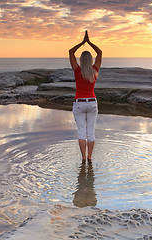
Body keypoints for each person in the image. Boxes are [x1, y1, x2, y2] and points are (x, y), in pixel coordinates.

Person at [69, 30, 102, 161]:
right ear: (91, 60)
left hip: (79, 103)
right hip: (92, 102)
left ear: (81, 60)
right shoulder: (95, 70)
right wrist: (89, 42)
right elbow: (100, 52)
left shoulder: (77, 70)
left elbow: (71, 52)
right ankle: (90, 157)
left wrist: (82, 43)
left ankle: (83, 157)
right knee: (91, 132)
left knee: (82, 132)